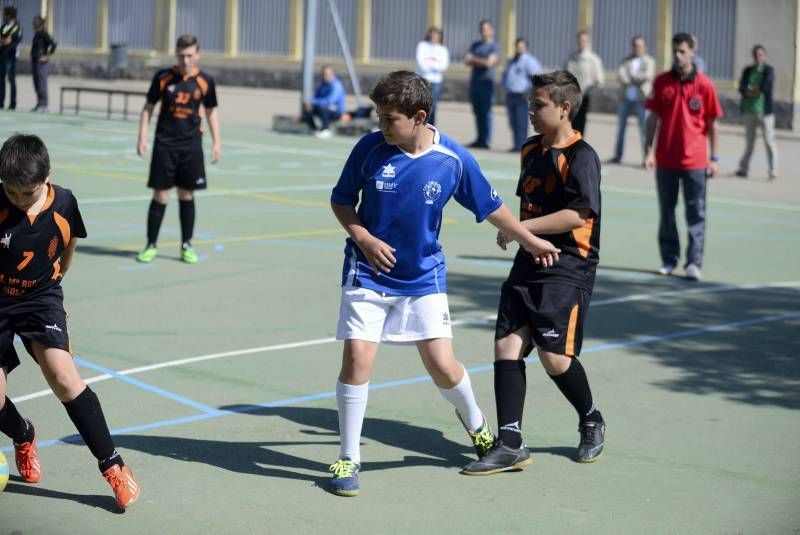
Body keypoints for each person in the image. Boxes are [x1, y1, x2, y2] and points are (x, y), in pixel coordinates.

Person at [328, 70, 560, 497]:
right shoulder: (369, 149)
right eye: (378, 116)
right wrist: (363, 237)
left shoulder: (452, 159)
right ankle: (348, 456)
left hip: (423, 276)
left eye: (389, 118)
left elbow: (492, 206)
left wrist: (528, 238)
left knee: (442, 365)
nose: (380, 125)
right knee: (358, 358)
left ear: (419, 117)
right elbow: (342, 200)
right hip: (368, 272)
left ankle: (479, 428)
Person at [461, 71, 605, 475]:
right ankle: (511, 443)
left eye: (538, 105)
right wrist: (524, 239)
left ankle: (591, 417)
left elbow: (576, 214)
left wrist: (524, 232)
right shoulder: (530, 149)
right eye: (530, 104)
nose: (531, 111)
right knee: (507, 345)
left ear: (564, 108)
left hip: (568, 266)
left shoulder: (582, 157)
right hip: (530, 260)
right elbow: (529, 207)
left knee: (554, 359)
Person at [0, 134, 141, 510]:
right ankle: (23, 433)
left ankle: (113, 464)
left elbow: (66, 248)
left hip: (39, 297)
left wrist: (54, 290)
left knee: (64, 377)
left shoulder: (64, 203)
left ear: (46, 180)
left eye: (24, 193)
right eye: (9, 191)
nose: (15, 198)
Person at [136, 34, 221, 264]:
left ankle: (186, 245)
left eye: (190, 55)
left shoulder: (205, 81)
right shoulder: (163, 77)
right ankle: (151, 245)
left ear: (198, 54)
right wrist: (142, 138)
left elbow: (211, 112)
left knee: (186, 194)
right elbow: (148, 108)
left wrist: (216, 142)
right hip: (165, 145)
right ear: (176, 54)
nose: (186, 60)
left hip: (191, 146)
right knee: (161, 195)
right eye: (182, 55)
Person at [644, 33, 722, 281]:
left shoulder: (705, 85)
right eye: (675, 51)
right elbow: (653, 120)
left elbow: (712, 125)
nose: (678, 55)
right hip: (665, 160)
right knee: (667, 212)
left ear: (693, 51)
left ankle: (693, 263)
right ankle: (669, 260)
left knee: (695, 213)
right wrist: (648, 151)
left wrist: (714, 158)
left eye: (683, 51)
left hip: (696, 162)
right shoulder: (661, 82)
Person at [610, 35, 655, 164]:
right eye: (635, 45)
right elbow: (621, 75)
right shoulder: (626, 61)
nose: (637, 48)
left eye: (640, 45)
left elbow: (647, 76)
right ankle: (618, 156)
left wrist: (632, 77)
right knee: (621, 129)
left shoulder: (649, 61)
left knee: (644, 131)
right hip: (625, 99)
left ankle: (647, 157)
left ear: (644, 47)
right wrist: (635, 78)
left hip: (641, 100)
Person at [736, 45, 778, 180]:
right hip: (749, 111)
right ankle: (743, 168)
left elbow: (765, 87)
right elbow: (742, 87)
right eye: (756, 54)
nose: (758, 57)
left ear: (764, 56)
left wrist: (752, 90)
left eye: (760, 54)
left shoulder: (768, 70)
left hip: (764, 112)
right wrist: (750, 90)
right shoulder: (748, 70)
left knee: (769, 141)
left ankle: (773, 170)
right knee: (749, 142)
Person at [502, 38, 542, 152]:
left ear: (526, 47)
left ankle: (522, 146)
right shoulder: (511, 60)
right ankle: (516, 145)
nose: (519, 48)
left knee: (521, 122)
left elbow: (536, 78)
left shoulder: (529, 61)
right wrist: (505, 86)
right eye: (517, 46)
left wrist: (530, 93)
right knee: (512, 122)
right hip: (511, 95)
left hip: (522, 96)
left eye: (521, 46)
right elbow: (505, 75)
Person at [464, 20, 499, 149]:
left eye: (486, 29)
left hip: (486, 84)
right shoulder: (476, 45)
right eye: (482, 29)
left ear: (491, 31)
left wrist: (474, 59)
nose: (483, 32)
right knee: (477, 112)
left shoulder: (494, 46)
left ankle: (486, 141)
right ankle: (479, 139)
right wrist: (480, 61)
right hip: (475, 83)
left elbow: (489, 63)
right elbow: (466, 60)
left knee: (486, 113)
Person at [564, 30, 604, 136]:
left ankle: (578, 143)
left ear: (588, 42)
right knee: (569, 119)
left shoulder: (593, 59)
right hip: (571, 94)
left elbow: (599, 79)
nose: (582, 42)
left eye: (584, 40)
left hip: (585, 95)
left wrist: (590, 90)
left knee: (581, 120)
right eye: (580, 40)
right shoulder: (571, 58)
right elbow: (564, 74)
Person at [415, 26, 449, 126]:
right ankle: (419, 126)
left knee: (432, 107)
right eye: (432, 33)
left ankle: (430, 128)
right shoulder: (422, 46)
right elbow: (421, 63)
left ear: (440, 36)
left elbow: (443, 66)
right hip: (423, 79)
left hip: (436, 82)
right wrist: (435, 65)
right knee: (420, 105)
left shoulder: (443, 49)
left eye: (436, 34)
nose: (434, 36)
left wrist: (430, 63)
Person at [301, 65, 346, 139]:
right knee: (307, 107)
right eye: (323, 74)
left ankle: (326, 130)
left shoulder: (336, 85)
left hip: (336, 111)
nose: (325, 76)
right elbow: (316, 97)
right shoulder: (322, 85)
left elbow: (330, 101)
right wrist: (310, 102)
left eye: (327, 74)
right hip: (323, 108)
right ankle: (314, 129)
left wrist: (314, 102)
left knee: (323, 107)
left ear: (332, 74)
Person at [30, 15, 56, 113]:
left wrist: (47, 55)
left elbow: (53, 44)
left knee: (42, 83)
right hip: (35, 62)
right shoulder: (37, 34)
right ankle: (39, 103)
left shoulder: (43, 33)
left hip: (42, 63)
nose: (33, 24)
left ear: (38, 24)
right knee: (36, 83)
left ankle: (44, 105)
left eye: (34, 22)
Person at [0, 6, 21, 110]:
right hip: (2, 55)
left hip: (11, 56)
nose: (4, 16)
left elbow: (13, 42)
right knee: (1, 79)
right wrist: (5, 41)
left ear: (10, 15)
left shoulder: (17, 27)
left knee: (11, 80)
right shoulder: (3, 26)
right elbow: (4, 40)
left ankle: (13, 103)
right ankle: (1, 102)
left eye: (6, 14)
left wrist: (5, 41)